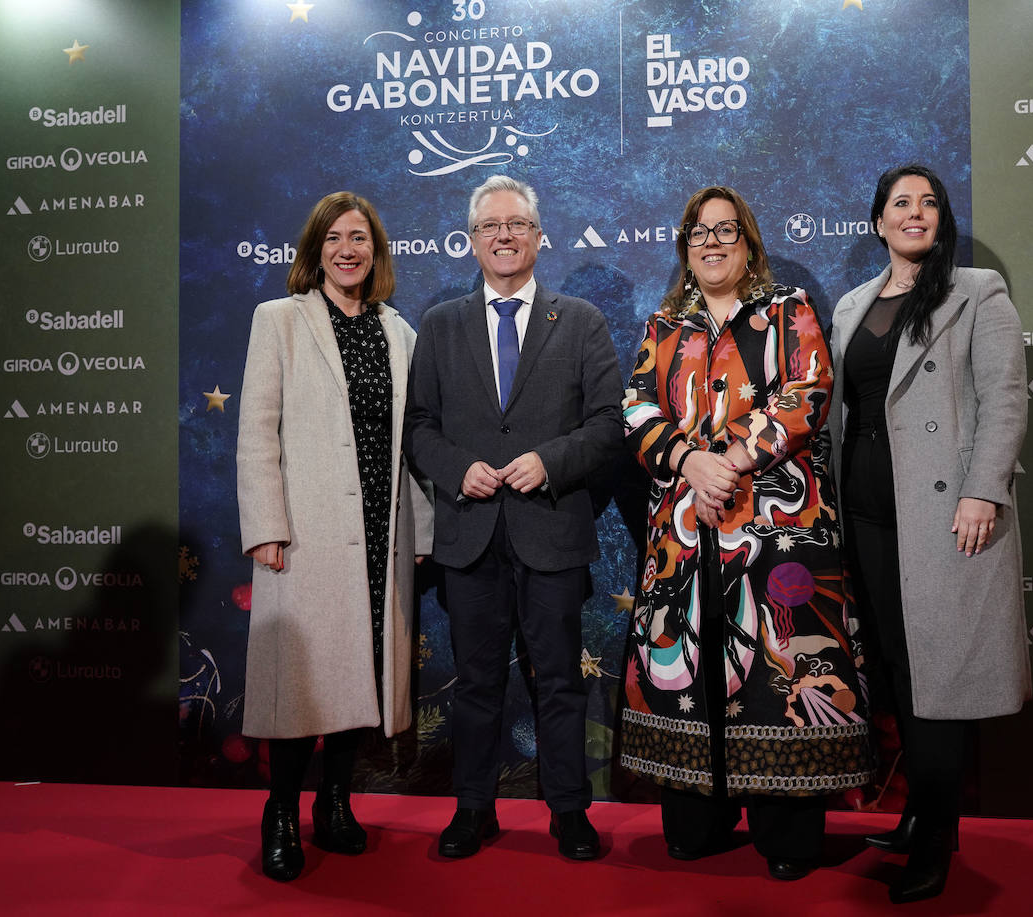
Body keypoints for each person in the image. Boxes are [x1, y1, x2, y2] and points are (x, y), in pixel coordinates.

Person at [620, 186, 871, 880]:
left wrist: (725, 463)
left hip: (777, 532)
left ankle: (785, 832)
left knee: (778, 672)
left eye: (726, 230)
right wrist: (687, 461)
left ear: (749, 243)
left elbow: (806, 394)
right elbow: (637, 409)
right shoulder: (661, 326)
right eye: (699, 232)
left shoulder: (787, 311)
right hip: (683, 535)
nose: (712, 242)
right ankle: (698, 817)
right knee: (690, 671)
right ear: (684, 246)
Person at [403, 175, 624, 861]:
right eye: (490, 225)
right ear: (471, 241)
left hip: (550, 529)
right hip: (469, 537)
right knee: (475, 683)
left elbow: (611, 423)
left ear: (537, 235)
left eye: (517, 224)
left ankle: (568, 811)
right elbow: (418, 426)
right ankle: (474, 807)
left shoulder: (580, 319)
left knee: (558, 680)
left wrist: (551, 461)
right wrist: (453, 468)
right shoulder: (439, 325)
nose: (503, 234)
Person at [828, 164, 1030, 903]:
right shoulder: (851, 305)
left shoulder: (977, 292)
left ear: (940, 218)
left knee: (938, 678)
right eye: (900, 204)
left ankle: (938, 840)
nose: (916, 213)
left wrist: (984, 490)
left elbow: (1004, 399)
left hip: (944, 516)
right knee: (899, 673)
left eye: (929, 202)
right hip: (868, 518)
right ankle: (917, 812)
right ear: (877, 221)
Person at [237, 191, 433, 882]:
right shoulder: (281, 320)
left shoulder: (399, 332)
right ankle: (282, 812)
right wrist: (265, 526)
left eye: (362, 238)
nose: (349, 249)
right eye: (336, 238)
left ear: (377, 253)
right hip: (308, 533)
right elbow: (258, 430)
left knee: (362, 679)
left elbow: (411, 441)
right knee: (304, 685)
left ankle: (337, 803)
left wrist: (422, 528)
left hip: (383, 533)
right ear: (315, 248)